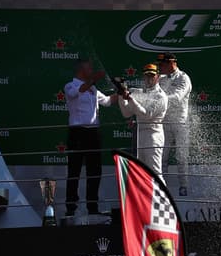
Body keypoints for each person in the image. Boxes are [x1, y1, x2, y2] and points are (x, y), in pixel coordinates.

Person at [63, 59, 116, 220]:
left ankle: (92, 207)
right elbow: (75, 93)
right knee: (74, 171)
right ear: (80, 69)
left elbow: (106, 101)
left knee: (95, 172)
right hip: (78, 132)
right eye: (89, 66)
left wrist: (121, 93)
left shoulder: (93, 88)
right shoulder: (70, 86)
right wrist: (93, 79)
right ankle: (71, 208)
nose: (91, 69)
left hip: (94, 133)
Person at [117, 63, 168, 178]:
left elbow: (146, 115)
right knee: (141, 174)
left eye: (152, 75)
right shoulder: (139, 93)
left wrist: (129, 98)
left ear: (158, 77)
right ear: (143, 77)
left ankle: (162, 196)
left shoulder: (160, 96)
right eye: (147, 75)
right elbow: (126, 113)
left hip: (153, 135)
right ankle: (145, 196)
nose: (149, 78)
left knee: (155, 172)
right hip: (140, 135)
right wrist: (121, 95)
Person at [156, 53, 192, 195]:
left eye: (162, 64)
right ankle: (161, 187)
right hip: (164, 122)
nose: (160, 67)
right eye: (159, 65)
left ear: (172, 63)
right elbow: (152, 93)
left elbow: (177, 98)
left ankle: (184, 186)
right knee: (162, 155)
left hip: (180, 123)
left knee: (181, 156)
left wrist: (157, 100)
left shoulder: (184, 77)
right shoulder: (161, 79)